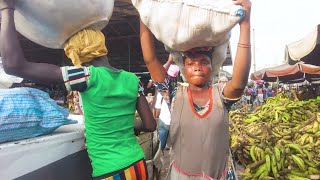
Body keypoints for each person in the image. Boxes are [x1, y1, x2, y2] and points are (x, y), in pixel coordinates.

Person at [0, 1, 156, 179]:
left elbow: (14, 65)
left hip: (112, 170)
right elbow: (150, 125)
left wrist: (7, 9)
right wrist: (121, 126)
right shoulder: (132, 80)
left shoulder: (86, 76)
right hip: (137, 163)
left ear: (76, 55)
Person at [139, 0, 251, 178]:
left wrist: (245, 25)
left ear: (212, 66)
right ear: (184, 67)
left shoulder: (221, 94)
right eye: (191, 63)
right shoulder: (174, 93)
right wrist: (144, 14)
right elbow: (150, 60)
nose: (197, 67)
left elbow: (239, 83)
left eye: (204, 62)